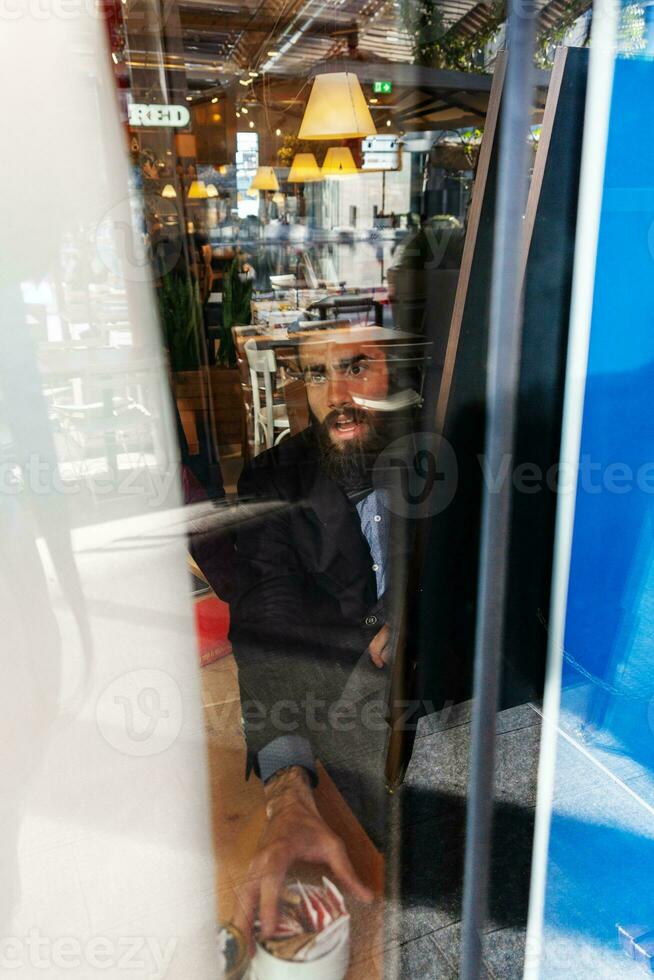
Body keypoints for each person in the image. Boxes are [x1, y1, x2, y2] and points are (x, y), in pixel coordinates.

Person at [194, 324, 425, 942]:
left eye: (357, 367)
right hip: (348, 691)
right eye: (318, 375)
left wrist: (404, 609)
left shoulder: (437, 451)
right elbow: (269, 617)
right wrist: (288, 789)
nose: (337, 394)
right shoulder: (276, 479)